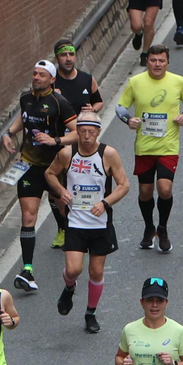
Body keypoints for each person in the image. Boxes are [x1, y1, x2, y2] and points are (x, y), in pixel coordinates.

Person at [47, 112, 130, 335]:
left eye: (91, 132)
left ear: (98, 133)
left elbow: (123, 185)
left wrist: (105, 202)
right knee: (74, 269)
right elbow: (50, 173)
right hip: (75, 220)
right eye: (82, 131)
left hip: (99, 223)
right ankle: (69, 286)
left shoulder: (108, 154)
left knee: (95, 271)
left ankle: (90, 313)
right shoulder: (67, 154)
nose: (86, 137)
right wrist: (61, 190)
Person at [4, 61, 75, 293]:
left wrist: (55, 141)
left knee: (64, 210)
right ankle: (27, 269)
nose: (36, 77)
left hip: (54, 169)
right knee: (28, 215)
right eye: (34, 73)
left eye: (41, 75)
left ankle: (71, 243)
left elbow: (76, 133)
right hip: (29, 166)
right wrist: (9, 133)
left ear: (52, 79)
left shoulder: (59, 103)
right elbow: (23, 118)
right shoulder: (26, 98)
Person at [117, 47, 183, 257]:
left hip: (168, 145)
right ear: (147, 62)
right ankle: (149, 227)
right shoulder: (136, 82)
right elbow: (120, 107)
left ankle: (163, 228)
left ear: (167, 62)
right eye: (153, 60)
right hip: (144, 146)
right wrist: (128, 120)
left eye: (161, 60)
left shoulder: (177, 81)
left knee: (165, 188)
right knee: (145, 192)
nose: (157, 64)